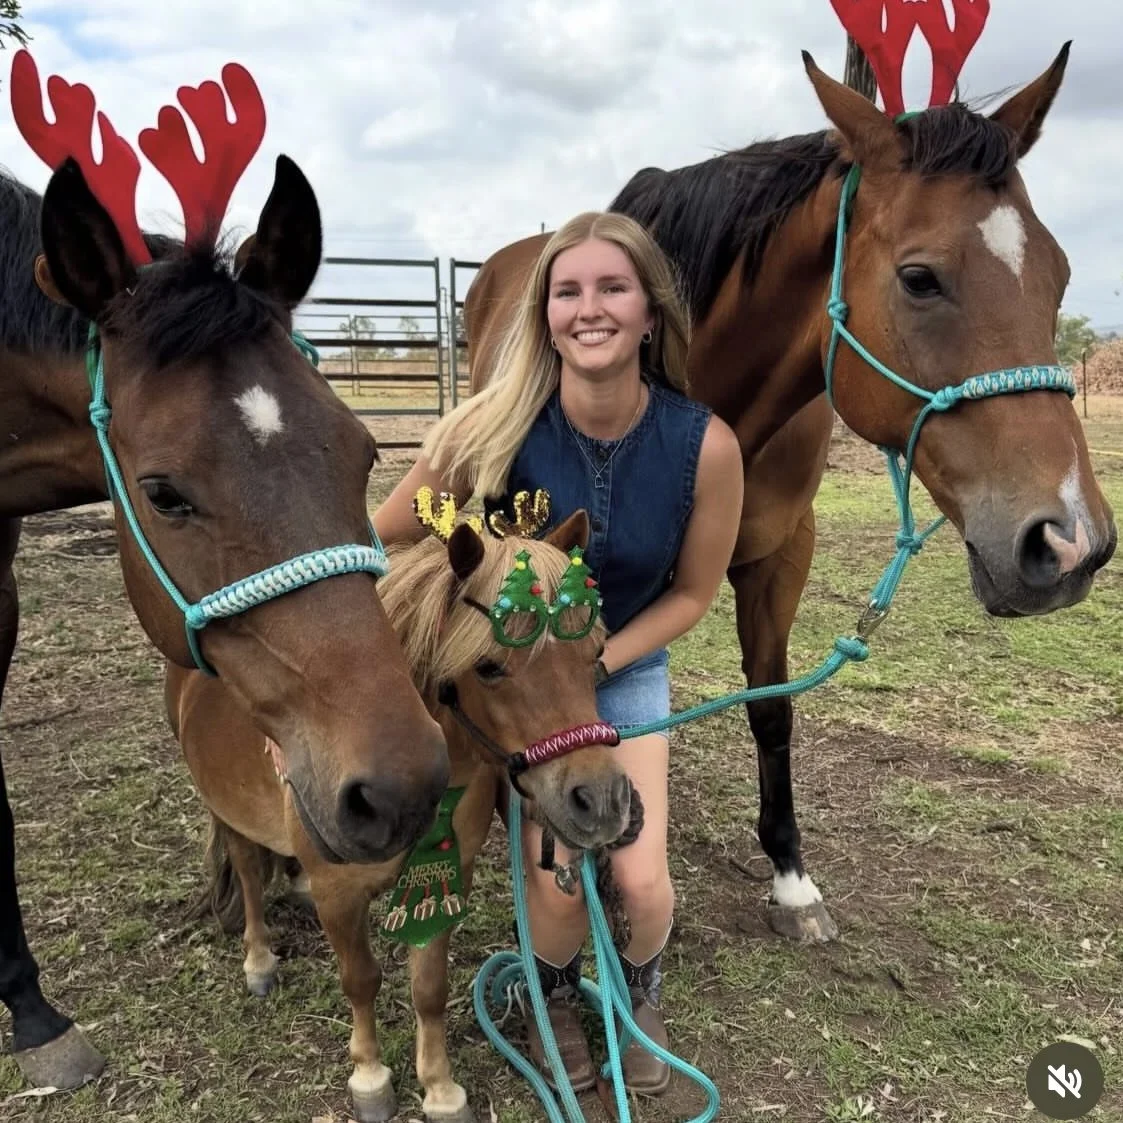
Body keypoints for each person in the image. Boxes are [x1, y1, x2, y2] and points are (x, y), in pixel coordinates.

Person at [373, 211, 743, 1095]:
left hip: (622, 663)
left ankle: (641, 992)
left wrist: (597, 663)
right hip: (514, 681)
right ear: (544, 316)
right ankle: (552, 995)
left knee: (641, 880)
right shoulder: (488, 430)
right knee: (558, 880)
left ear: (650, 312)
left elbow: (692, 595)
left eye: (613, 287)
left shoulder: (707, 447)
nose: (589, 308)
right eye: (566, 291)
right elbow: (386, 531)